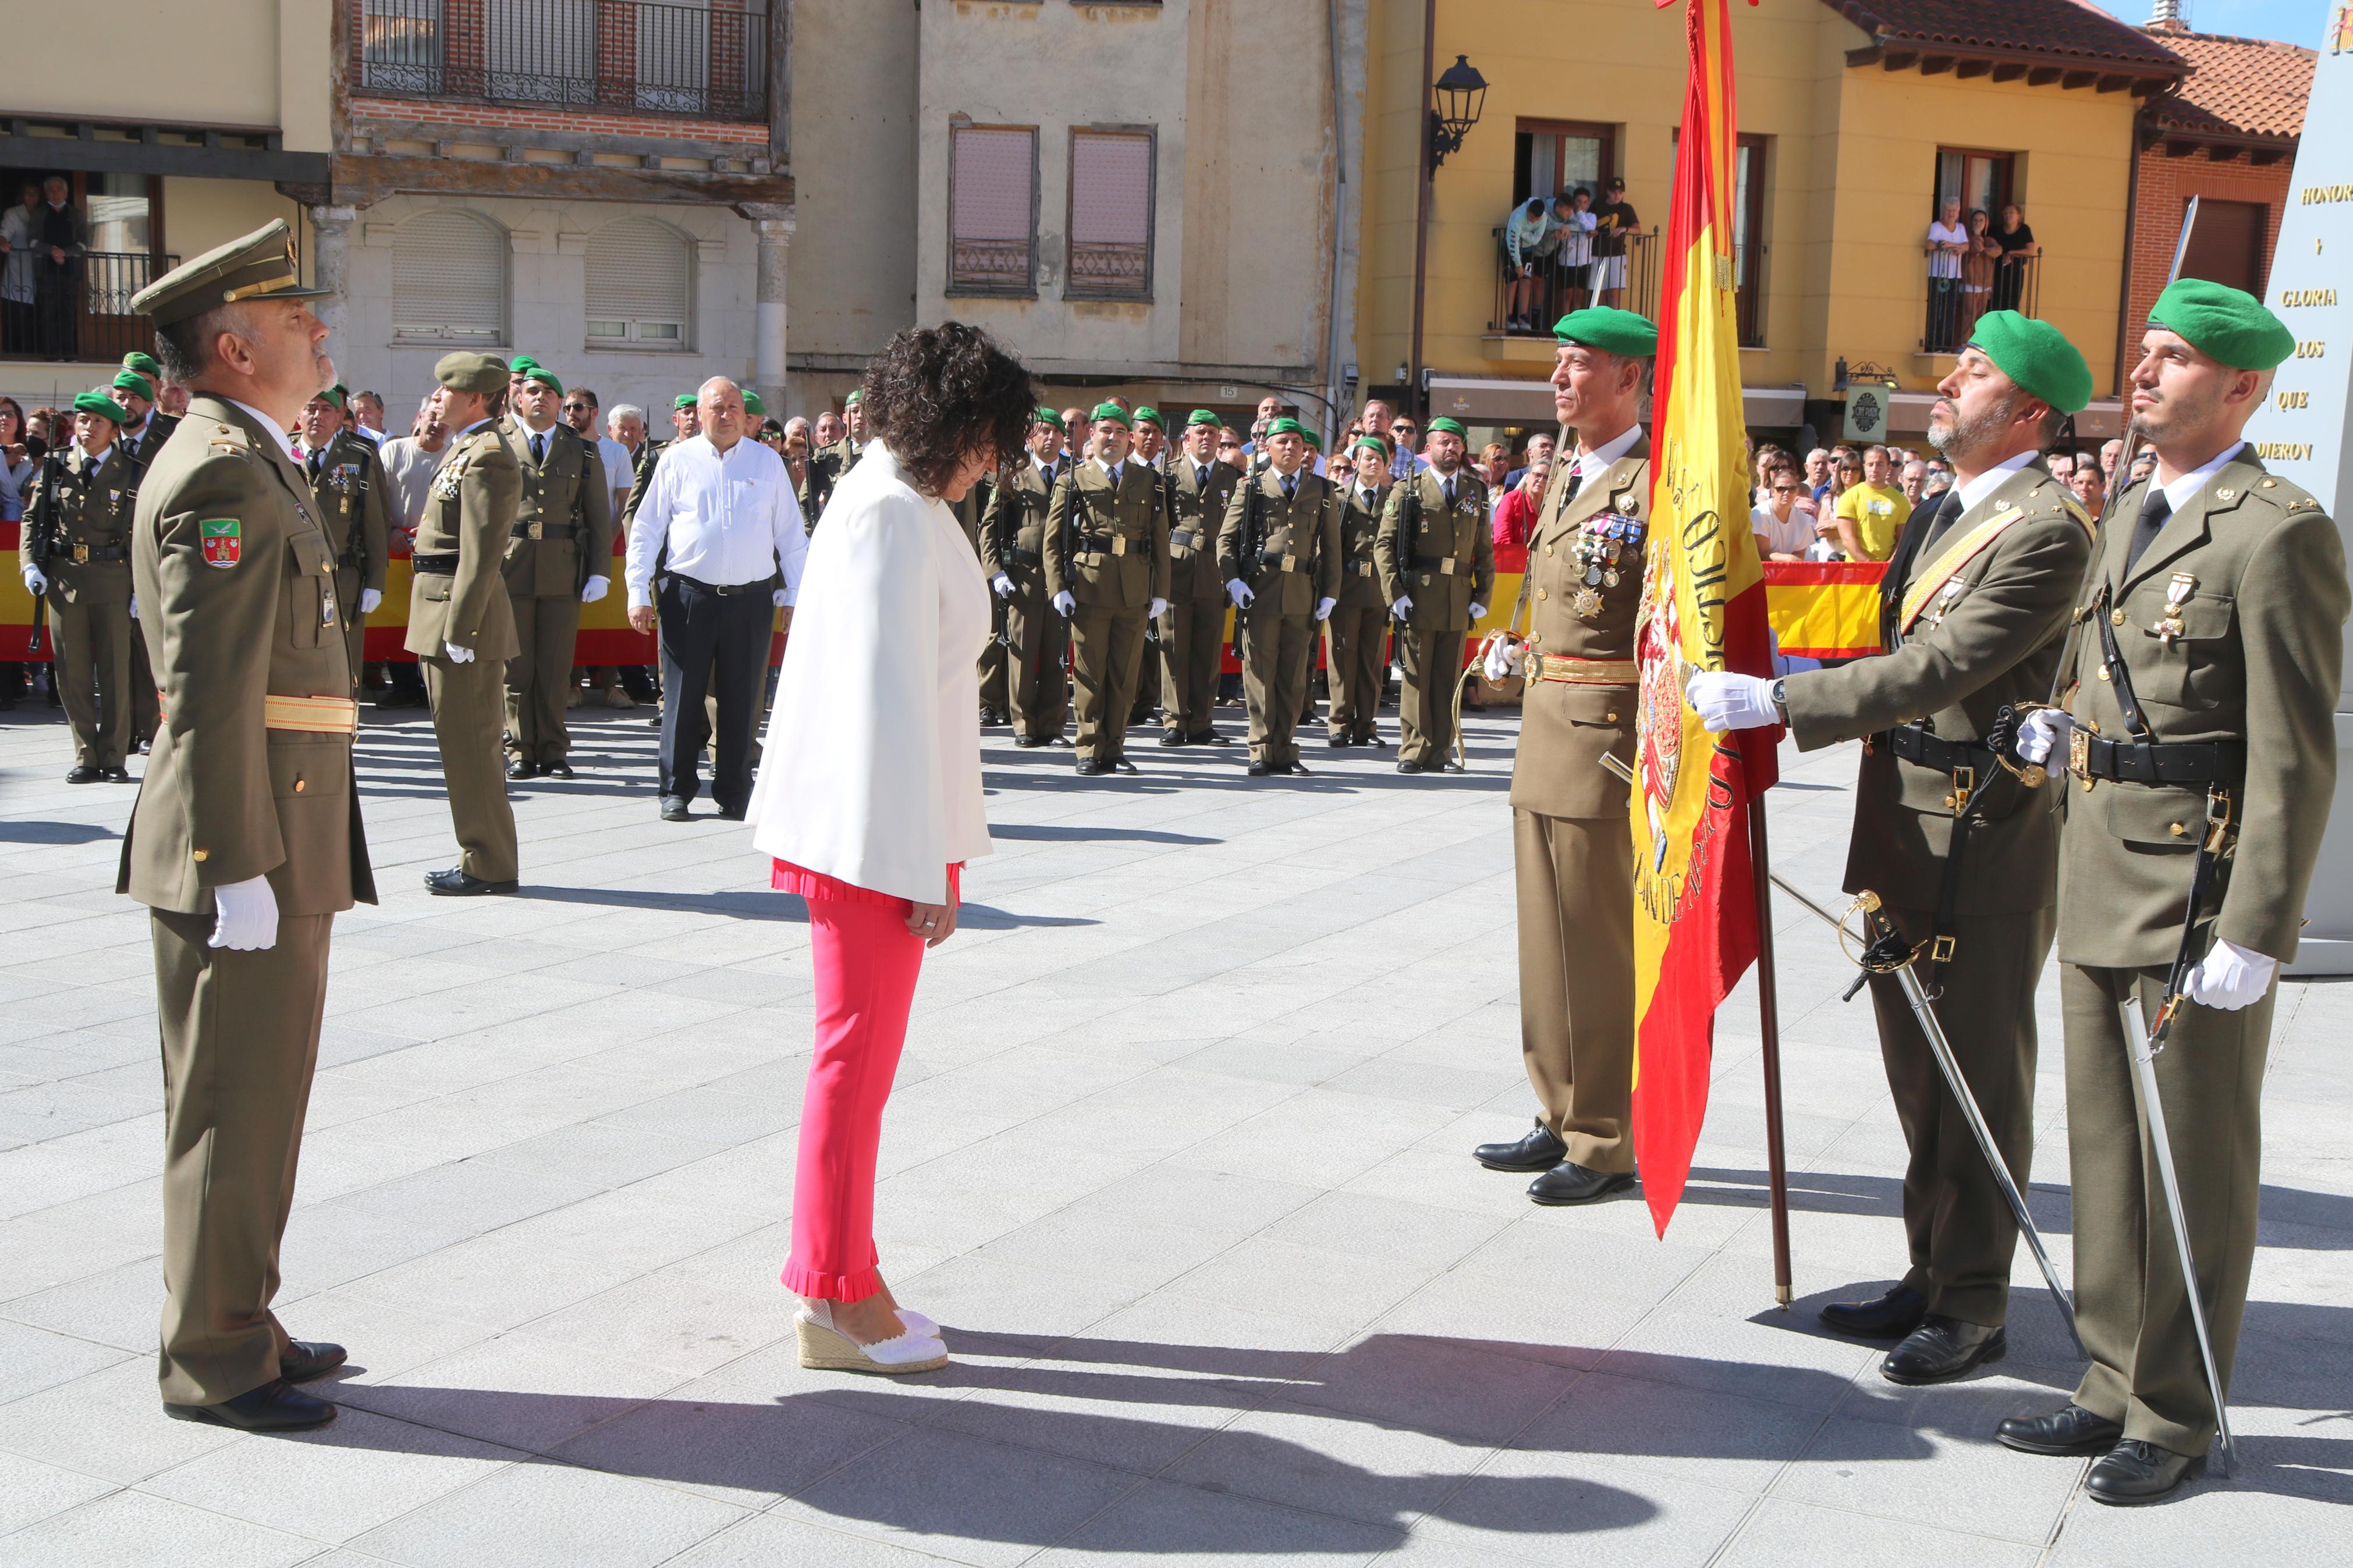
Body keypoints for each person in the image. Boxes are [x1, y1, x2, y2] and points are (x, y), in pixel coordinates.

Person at [1693, 311, 2097, 1385]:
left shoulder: (2047, 528)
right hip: (1902, 823)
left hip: (1978, 836)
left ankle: (1972, 1305)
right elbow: (1896, 649)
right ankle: (1929, 1273)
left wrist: (1777, 702)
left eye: (1971, 375)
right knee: (1917, 1075)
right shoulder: (1940, 510)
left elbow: (1941, 667)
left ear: (2026, 414)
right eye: (1957, 367)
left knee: (1974, 1080)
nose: (1945, 385)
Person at [2002, 280, 2347, 1504]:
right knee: (2103, 1151)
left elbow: (2293, 751)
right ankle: (2106, 1379)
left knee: (2188, 1164)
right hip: (2096, 866)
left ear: (2240, 389)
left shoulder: (2278, 529)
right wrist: (2061, 723)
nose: (2138, 374)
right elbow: (2115, 673)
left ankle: (2174, 1407)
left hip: (2192, 892)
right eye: (2141, 353)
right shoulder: (2133, 509)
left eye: (2172, 359)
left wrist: (2256, 929)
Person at [123, 218, 374, 1432]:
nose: (318, 331)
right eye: (292, 321)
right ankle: (213, 1356)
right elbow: (213, 685)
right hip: (249, 839)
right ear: (231, 347)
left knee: (259, 1099)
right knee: (231, 1103)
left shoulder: (251, 453)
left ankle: (244, 1315)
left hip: (282, 827)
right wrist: (236, 865)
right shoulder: (223, 468)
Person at [744, 322, 1031, 1374]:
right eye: (988, 439)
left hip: (882, 827)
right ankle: (831, 1295)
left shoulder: (897, 501)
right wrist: (926, 865)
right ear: (950, 425)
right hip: (872, 836)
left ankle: (851, 1272)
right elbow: (888, 710)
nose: (993, 462)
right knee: (852, 1067)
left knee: (855, 1067)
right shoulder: (888, 516)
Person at [1472, 307, 1653, 1205]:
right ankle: (1556, 1109)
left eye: (1577, 364)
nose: (1558, 377)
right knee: (1544, 942)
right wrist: (1513, 650)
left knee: (1593, 946)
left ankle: (1605, 1135)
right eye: (1556, 359)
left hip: (1602, 740)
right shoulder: (1567, 475)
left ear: (1626, 378)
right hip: (1543, 725)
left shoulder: (1653, 483)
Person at [627, 377, 807, 820]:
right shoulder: (676, 460)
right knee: (683, 697)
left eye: (733, 407)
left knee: (742, 698)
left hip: (750, 600)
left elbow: (790, 535)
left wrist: (795, 594)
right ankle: (676, 789)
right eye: (716, 407)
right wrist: (637, 590)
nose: (725, 415)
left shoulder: (767, 463)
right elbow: (647, 528)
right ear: (698, 413)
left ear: (745, 415)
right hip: (688, 595)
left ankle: (733, 788)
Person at [406, 354, 524, 895]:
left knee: (473, 748)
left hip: (460, 615)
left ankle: (488, 862)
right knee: (461, 745)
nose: (437, 400)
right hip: (442, 606)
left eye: (446, 392)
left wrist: (461, 631)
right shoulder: (469, 447)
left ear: (475, 398)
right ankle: (481, 854)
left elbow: (481, 554)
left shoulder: (490, 456)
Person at [19, 390, 140, 781]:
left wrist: (141, 586)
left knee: (114, 670)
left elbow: (143, 533)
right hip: (65, 577)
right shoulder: (56, 466)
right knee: (72, 672)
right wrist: (29, 566)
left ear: (113, 429)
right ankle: (86, 754)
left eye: (97, 422)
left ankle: (114, 754)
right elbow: (31, 519)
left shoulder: (132, 471)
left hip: (113, 578)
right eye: (83, 420)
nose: (87, 428)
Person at [1046, 403, 1171, 777]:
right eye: (1105, 431)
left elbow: (1159, 539)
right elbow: (1053, 541)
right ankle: (1088, 747)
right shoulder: (1074, 480)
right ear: (1091, 435)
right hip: (1089, 586)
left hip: (1134, 588)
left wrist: (1160, 590)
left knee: (1124, 673)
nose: (1112, 438)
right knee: (1089, 672)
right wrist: (1058, 587)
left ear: (1129, 438)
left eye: (1120, 432)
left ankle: (1114, 747)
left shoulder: (1148, 480)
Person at [501, 365, 613, 780]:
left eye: (550, 393)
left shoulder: (580, 450)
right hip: (510, 565)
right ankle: (518, 748)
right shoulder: (499, 443)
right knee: (515, 667)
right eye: (532, 391)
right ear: (519, 398)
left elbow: (599, 517)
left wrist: (599, 572)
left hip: (562, 567)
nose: (540, 398)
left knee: (554, 667)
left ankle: (552, 749)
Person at [1219, 416, 1338, 777]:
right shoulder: (1251, 487)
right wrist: (1233, 582)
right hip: (1261, 591)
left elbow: (1331, 548)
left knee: (1293, 676)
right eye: (1282, 441)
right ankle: (1260, 748)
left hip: (1302, 592)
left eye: (1296, 443)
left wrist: (1330, 592)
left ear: (1306, 451)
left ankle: (1286, 750)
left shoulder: (1322, 489)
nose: (1290, 448)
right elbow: (1226, 540)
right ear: (1266, 447)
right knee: (1259, 675)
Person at [1376, 415, 1492, 774]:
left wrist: (1482, 595)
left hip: (1457, 595)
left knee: (1446, 677)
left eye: (1457, 443)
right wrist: (1395, 593)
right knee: (1416, 678)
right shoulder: (1408, 489)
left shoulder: (1475, 490)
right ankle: (1413, 750)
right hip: (1420, 593)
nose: (1451, 449)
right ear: (1429, 449)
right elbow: (1384, 545)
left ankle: (1440, 750)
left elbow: (1484, 549)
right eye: (1444, 442)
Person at [981, 409, 1073, 746]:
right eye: (1043, 432)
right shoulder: (1015, 474)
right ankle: (1023, 725)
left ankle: (1052, 724)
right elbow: (989, 527)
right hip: (1025, 576)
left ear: (1065, 438)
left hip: (1060, 579)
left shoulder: (1074, 474)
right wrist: (995, 572)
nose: (1050, 438)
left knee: (1056, 654)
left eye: (1056, 432)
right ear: (1031, 438)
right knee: (1022, 652)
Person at [294, 386, 389, 694]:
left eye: (326, 410)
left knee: (344, 665)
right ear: (299, 413)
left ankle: (344, 737)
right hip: (293, 577)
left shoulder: (360, 455)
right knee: (297, 660)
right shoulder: (282, 453)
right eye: (310, 408)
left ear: (339, 418)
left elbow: (376, 521)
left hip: (344, 577)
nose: (317, 416)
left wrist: (376, 580)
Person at [1160, 408, 1239, 746]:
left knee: (1207, 651)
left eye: (1212, 432)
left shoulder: (1232, 478)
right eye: (1199, 432)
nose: (1205, 437)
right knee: (1174, 648)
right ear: (1186, 438)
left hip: (1213, 570)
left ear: (1220, 438)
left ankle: (1202, 721)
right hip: (1176, 568)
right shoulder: (1168, 474)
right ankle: (1175, 720)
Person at [374, 399, 447, 710]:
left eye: (443, 421)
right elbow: (376, 496)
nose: (436, 425)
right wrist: (392, 531)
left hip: (435, 554)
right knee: (396, 622)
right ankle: (404, 686)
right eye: (431, 417)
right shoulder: (394, 450)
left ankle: (432, 688)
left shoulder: (454, 455)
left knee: (431, 623)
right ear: (419, 416)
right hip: (395, 549)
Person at [1326, 436, 1393, 748]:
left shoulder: (1393, 500)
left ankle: (1366, 725)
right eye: (1368, 458)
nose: (1374, 463)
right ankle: (1339, 723)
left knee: (1371, 660)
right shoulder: (1339, 498)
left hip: (1378, 590)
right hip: (1347, 588)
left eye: (1380, 459)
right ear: (1355, 463)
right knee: (1342, 657)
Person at [30, 176, 84, 361]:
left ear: (66, 193)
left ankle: (68, 353)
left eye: (59, 189)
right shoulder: (39, 214)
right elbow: (32, 241)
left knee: (68, 314)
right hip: (46, 273)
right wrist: (52, 251)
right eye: (51, 190)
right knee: (48, 313)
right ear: (46, 193)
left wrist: (64, 253)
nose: (55, 193)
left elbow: (84, 243)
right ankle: (52, 354)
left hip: (70, 273)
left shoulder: (76, 214)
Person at [1833, 445, 1910, 562]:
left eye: (1880, 464)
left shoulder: (1901, 501)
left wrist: (1890, 564)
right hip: (1856, 569)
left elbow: (1902, 539)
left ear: (1889, 467)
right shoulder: (1850, 497)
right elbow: (1848, 538)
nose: (1874, 469)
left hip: (1887, 570)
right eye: (1870, 465)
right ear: (1864, 467)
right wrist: (1867, 565)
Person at [1502, 195, 1561, 334]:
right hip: (1510, 249)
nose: (1534, 220)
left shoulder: (1543, 217)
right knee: (1513, 281)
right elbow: (1512, 241)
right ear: (1528, 210)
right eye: (1532, 217)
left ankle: (1523, 317)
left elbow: (1536, 240)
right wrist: (1517, 264)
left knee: (1526, 280)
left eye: (1537, 219)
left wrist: (1522, 234)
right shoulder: (1518, 216)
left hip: (1528, 249)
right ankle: (1510, 317)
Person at [1924, 195, 1969, 351]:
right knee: (1936, 310)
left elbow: (1967, 246)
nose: (1951, 213)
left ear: (1958, 213)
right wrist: (1946, 246)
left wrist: (1953, 246)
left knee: (1950, 311)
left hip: (1954, 276)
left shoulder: (1961, 228)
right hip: (1938, 275)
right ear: (1944, 211)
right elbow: (1929, 244)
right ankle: (1933, 344)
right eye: (1949, 210)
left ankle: (1945, 344)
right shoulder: (1937, 227)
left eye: (1954, 210)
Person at [0, 182, 40, 351]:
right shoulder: (13, 214)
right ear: (22, 196)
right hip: (18, 272)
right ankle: (16, 352)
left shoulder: (43, 213)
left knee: (36, 317)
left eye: (35, 193)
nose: (31, 196)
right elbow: (3, 234)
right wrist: (3, 244)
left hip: (39, 271)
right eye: (28, 192)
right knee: (17, 316)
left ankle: (34, 351)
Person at [1591, 176, 1639, 309]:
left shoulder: (1626, 208)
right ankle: (1600, 321)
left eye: (1620, 192)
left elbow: (1638, 229)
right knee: (1599, 291)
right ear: (1608, 192)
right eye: (1614, 192)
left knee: (1614, 291)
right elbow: (1588, 222)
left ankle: (1613, 322)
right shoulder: (1597, 204)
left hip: (1617, 254)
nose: (1617, 195)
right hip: (1597, 252)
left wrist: (1625, 229)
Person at [1751, 461, 1813, 561]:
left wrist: (1792, 561)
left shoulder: (1802, 518)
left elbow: (1800, 553)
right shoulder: (1760, 514)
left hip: (1791, 571)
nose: (1787, 493)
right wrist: (1789, 559)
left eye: (1792, 489)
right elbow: (1762, 553)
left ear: (1797, 491)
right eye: (1781, 489)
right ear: (1772, 491)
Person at [1958, 208, 1997, 344]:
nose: (1978, 223)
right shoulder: (1967, 238)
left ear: (1986, 223)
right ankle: (1965, 343)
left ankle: (1977, 343)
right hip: (1969, 281)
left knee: (1981, 316)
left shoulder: (1989, 240)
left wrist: (1985, 250)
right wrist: (1976, 236)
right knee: (1970, 313)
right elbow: (1976, 248)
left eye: (1981, 221)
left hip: (1985, 284)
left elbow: (1998, 251)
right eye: (1975, 221)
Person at [1990, 203, 2038, 314]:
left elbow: (2030, 251)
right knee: (1996, 303)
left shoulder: (2024, 230)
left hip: (2016, 272)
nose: (2008, 215)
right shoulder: (1996, 230)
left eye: (2011, 213)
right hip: (1998, 271)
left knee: (2013, 304)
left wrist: (2011, 253)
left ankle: (2010, 330)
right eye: (2005, 213)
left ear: (2019, 216)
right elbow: (1991, 245)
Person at [1556, 187, 1598, 311]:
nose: (1582, 205)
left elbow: (1590, 228)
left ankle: (1576, 327)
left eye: (1585, 202)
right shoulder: (1567, 217)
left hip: (1585, 262)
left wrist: (1580, 214)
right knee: (1567, 295)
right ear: (1574, 202)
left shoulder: (1591, 216)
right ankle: (1565, 325)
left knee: (1579, 297)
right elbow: (1566, 240)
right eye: (1579, 202)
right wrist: (1585, 236)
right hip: (1568, 261)